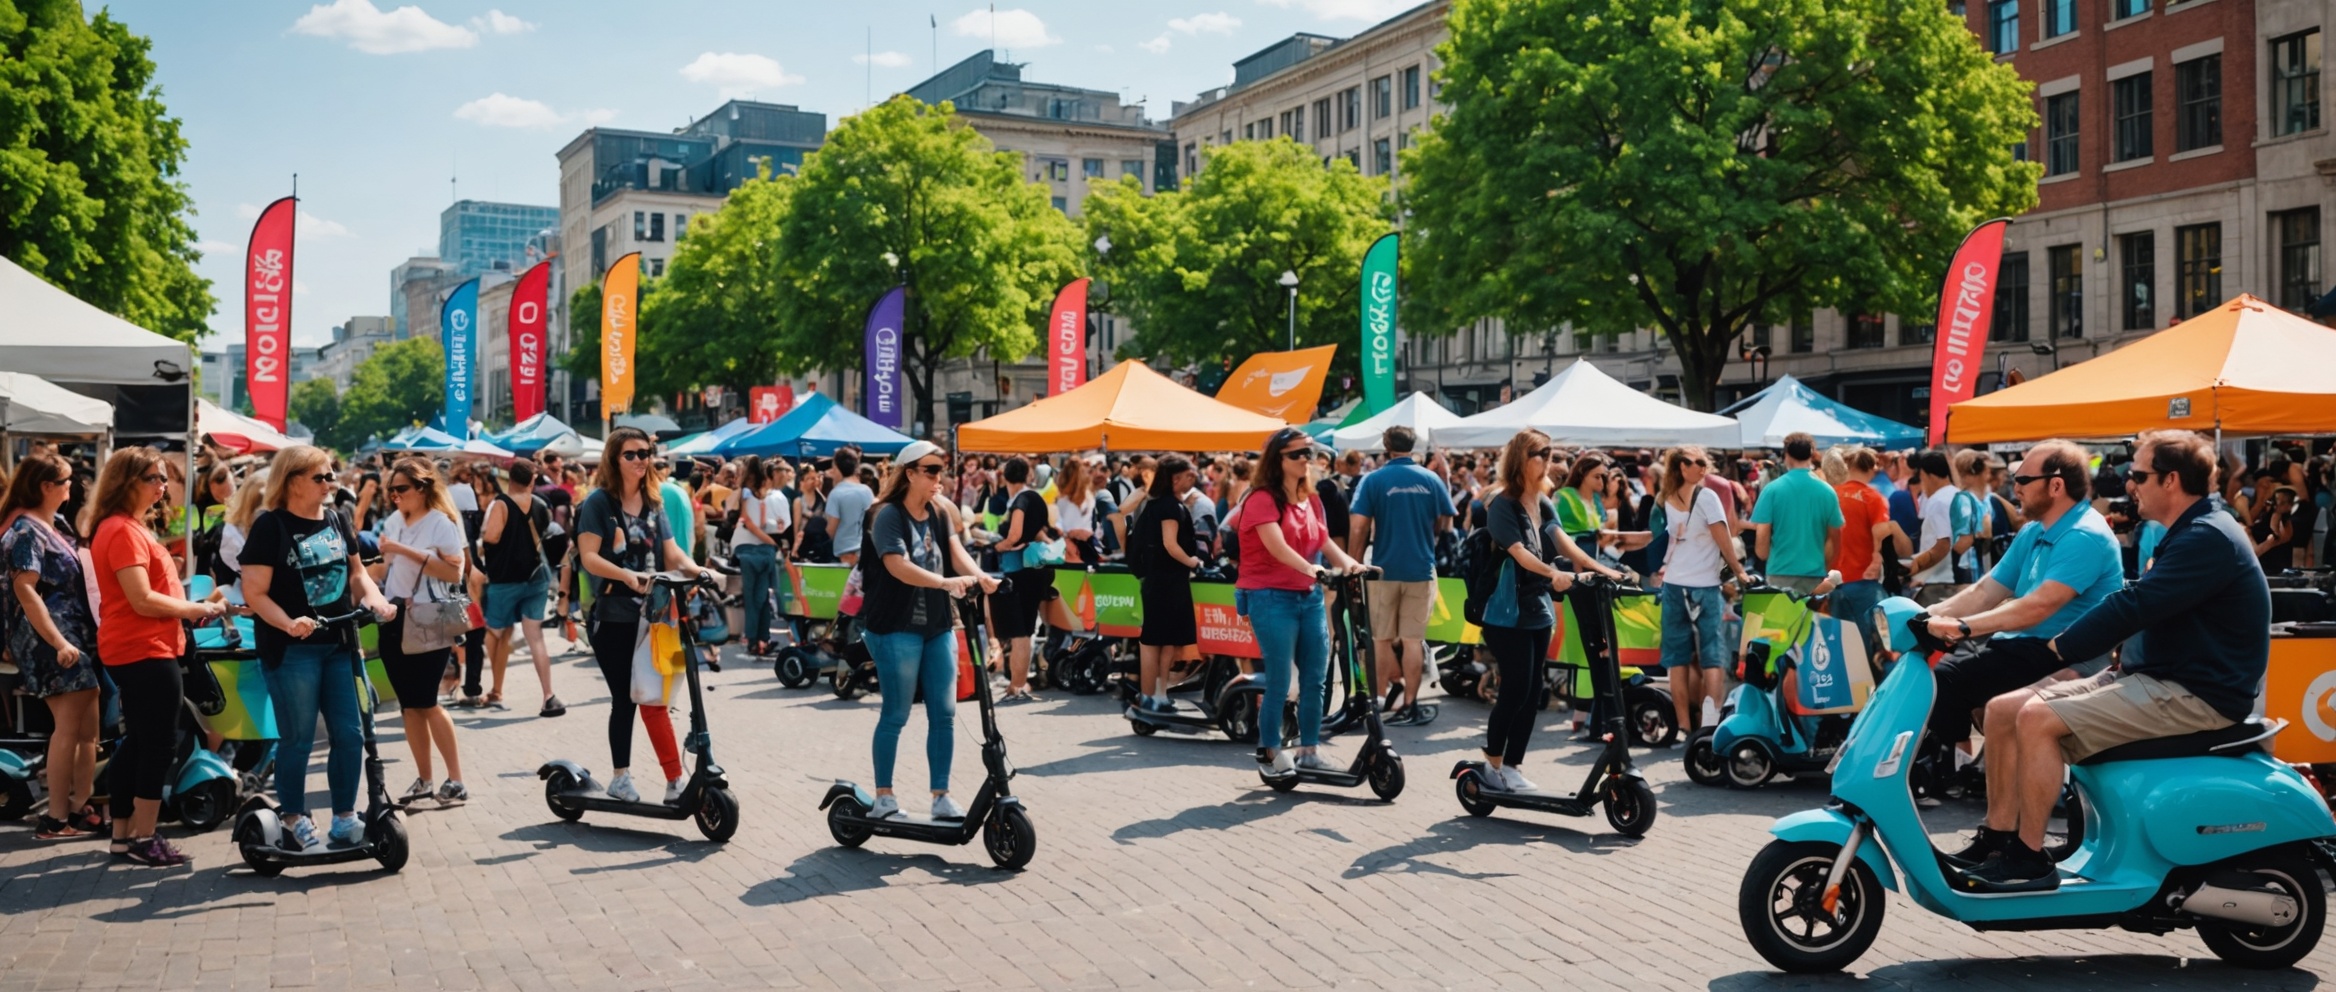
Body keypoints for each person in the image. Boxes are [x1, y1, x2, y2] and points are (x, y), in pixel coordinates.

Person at [1958, 430, 2269, 890]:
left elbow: (2134, 606)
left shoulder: (2206, 537)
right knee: (2005, 708)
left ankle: (2028, 859)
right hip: (2160, 677)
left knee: (2037, 718)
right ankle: (2000, 838)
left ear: (2171, 480)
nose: (2129, 484)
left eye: (2138, 474)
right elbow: (2147, 608)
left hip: (2194, 694)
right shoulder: (2191, 530)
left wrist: (2059, 649)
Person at [1918, 441, 2124, 782]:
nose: (2014, 487)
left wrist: (1963, 626)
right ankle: (1963, 767)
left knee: (1946, 680)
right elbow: (1986, 590)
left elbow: (2038, 606)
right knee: (1944, 676)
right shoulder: (2034, 530)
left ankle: (1952, 768)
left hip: (2059, 653)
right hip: (2026, 646)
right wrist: (1927, 613)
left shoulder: (2083, 535)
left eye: (2023, 479)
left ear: (2056, 485)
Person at [241, 445, 398, 851]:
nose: (331, 483)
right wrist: (289, 623)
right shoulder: (270, 526)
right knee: (298, 738)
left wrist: (376, 600)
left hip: (338, 644)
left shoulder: (336, 519)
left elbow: (358, 574)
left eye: (331, 475)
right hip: (291, 649)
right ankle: (293, 817)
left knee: (349, 733)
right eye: (321, 477)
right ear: (293, 481)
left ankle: (345, 817)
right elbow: (254, 593)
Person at [91, 448, 233, 865]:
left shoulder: (125, 527)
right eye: (153, 477)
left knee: (137, 742)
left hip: (141, 646)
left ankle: (124, 838)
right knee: (157, 744)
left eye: (163, 478)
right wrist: (197, 609)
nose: (162, 485)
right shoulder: (121, 529)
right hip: (143, 648)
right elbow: (141, 599)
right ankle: (143, 838)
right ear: (127, 481)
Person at [859, 441, 999, 820]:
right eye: (931, 470)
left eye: (942, 469)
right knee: (897, 712)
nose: (940, 477)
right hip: (895, 626)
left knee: (945, 712)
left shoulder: (939, 512)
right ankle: (884, 796)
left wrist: (980, 576)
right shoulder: (886, 515)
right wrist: (944, 583)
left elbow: (955, 552)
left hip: (937, 624)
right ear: (910, 473)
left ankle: (941, 796)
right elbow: (896, 566)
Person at [576, 428, 715, 805]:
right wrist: (625, 575)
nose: (641, 460)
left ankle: (674, 781)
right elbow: (588, 556)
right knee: (625, 700)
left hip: (655, 617)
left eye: (645, 453)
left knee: (654, 699)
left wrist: (700, 571)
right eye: (631, 454)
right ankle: (621, 777)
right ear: (614, 459)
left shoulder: (655, 503)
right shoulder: (599, 504)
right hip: (614, 615)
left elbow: (672, 554)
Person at [1238, 428, 1370, 778]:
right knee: (1280, 681)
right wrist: (1311, 568)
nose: (1305, 460)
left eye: (1308, 453)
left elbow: (1323, 539)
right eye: (1297, 454)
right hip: (1270, 596)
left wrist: (1350, 564)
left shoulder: (1310, 498)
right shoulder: (1262, 499)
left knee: (1316, 678)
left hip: (1307, 596)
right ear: (1277, 460)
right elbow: (1276, 546)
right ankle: (1269, 753)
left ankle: (1309, 750)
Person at [2, 453, 106, 840]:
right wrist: (58, 641)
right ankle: (56, 818)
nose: (72, 486)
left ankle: (79, 807)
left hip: (74, 635)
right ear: (46, 487)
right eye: (65, 481)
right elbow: (24, 588)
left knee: (86, 728)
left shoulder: (53, 523)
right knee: (68, 727)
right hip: (51, 638)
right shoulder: (27, 529)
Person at [369, 458, 472, 804]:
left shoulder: (441, 523)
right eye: (391, 490)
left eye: (401, 489)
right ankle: (425, 778)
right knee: (409, 706)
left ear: (422, 488)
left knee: (427, 702)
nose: (395, 496)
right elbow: (385, 570)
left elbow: (454, 574)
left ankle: (456, 779)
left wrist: (403, 550)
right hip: (394, 618)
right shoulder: (394, 520)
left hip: (429, 618)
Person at [1347, 426, 1456, 726]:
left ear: (1386, 445)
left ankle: (1380, 701)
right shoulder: (1431, 479)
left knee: (1381, 640)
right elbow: (1445, 519)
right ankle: (1410, 704)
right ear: (1413, 445)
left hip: (1383, 570)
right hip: (1421, 568)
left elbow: (1358, 526)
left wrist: (1354, 565)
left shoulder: (1374, 480)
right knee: (1412, 640)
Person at [1654, 445, 1757, 736]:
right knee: (1713, 657)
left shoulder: (1667, 498)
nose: (1703, 467)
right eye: (1696, 462)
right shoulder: (1706, 496)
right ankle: (1708, 726)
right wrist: (1739, 571)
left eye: (1704, 462)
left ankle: (1684, 727)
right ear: (1681, 467)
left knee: (1678, 660)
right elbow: (1723, 537)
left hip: (1674, 584)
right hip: (1705, 586)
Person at [480, 459, 562, 716]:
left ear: (510, 478)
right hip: (537, 576)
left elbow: (491, 537)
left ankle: (496, 689)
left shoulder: (502, 504)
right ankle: (548, 695)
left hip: (506, 579)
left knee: (495, 632)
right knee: (534, 636)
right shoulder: (540, 505)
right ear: (532, 480)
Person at [1132, 456, 1204, 713]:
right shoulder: (1170, 507)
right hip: (1168, 580)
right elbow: (1170, 544)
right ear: (1175, 479)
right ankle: (1154, 695)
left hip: (1157, 580)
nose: (1192, 480)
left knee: (1158, 642)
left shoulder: (1159, 504)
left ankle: (1155, 695)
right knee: (1159, 642)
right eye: (1188, 476)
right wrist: (1193, 562)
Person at [1829, 447, 1909, 654]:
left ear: (1846, 466)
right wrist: (1877, 554)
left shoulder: (1830, 495)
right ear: (1872, 469)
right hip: (1864, 581)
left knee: (1844, 650)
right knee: (1883, 646)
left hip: (1832, 583)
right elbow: (1880, 531)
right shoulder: (1873, 497)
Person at [990, 457, 1052, 700]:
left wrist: (999, 546)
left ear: (1005, 477)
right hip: (1034, 570)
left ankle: (1016, 686)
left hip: (1019, 571)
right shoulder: (1035, 498)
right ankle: (1019, 684)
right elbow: (1038, 532)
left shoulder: (1021, 500)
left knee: (1019, 632)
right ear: (1028, 475)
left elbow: (1015, 534)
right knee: (1025, 629)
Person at [1750, 432, 1842, 594]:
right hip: (1815, 574)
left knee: (1781, 619)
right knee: (1811, 619)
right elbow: (1834, 537)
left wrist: (1763, 555)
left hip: (1780, 572)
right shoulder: (1827, 491)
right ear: (1811, 455)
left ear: (1787, 455)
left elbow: (1762, 534)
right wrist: (1824, 566)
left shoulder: (1772, 489)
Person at [730, 456, 791, 653]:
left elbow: (747, 521)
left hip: (748, 549)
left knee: (752, 597)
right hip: (763, 551)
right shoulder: (761, 496)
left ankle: (753, 639)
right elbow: (760, 523)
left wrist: (766, 538)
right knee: (762, 597)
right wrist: (770, 539)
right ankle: (762, 639)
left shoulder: (746, 492)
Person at [1906, 450, 1965, 605]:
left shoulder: (1939, 501)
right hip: (1954, 579)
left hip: (1939, 581)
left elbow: (1943, 544)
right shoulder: (1957, 495)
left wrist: (1919, 572)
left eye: (1922, 478)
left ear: (1929, 476)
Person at [824, 448, 876, 568]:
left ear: (837, 468)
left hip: (845, 554)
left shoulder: (836, 493)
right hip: (866, 551)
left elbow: (831, 529)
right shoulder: (867, 491)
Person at [1054, 461, 1100, 564]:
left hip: (1071, 545)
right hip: (1083, 543)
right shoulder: (1088, 496)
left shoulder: (1062, 499)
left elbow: (1060, 525)